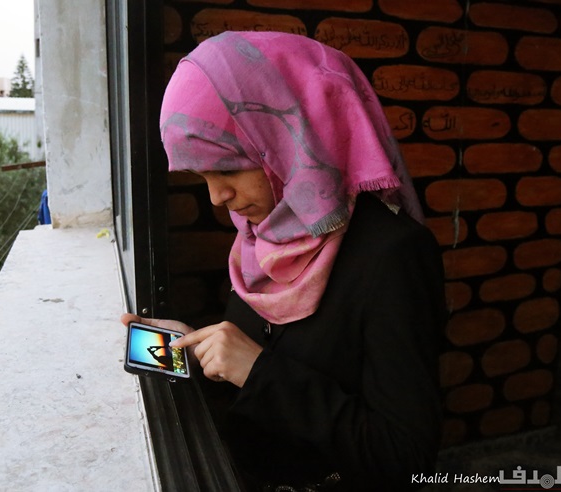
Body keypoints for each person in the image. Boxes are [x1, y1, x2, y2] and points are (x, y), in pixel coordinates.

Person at [121, 31, 446, 491]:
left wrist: (258, 373)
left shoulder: (393, 256)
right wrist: (199, 349)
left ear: (290, 140)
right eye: (201, 175)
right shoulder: (266, 234)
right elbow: (268, 360)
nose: (217, 197)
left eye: (228, 168)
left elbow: (406, 456)